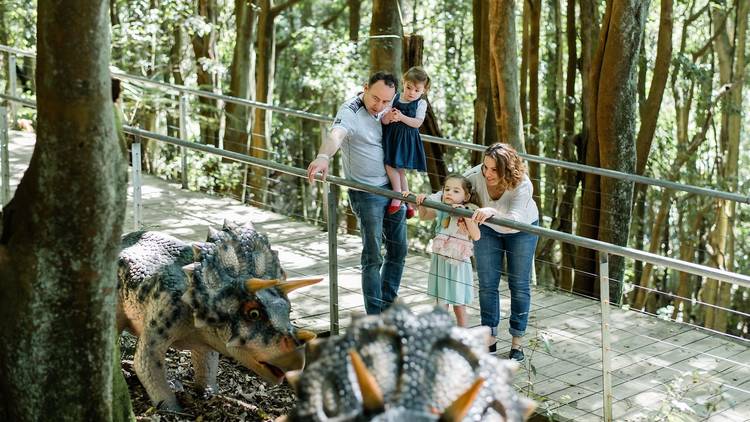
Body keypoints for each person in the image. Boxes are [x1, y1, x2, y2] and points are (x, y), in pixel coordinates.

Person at [306, 72, 407, 315]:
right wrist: (323, 156)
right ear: (365, 89)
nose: (380, 106)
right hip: (366, 192)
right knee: (373, 256)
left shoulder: (390, 104)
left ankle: (386, 306)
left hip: (393, 187)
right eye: (375, 99)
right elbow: (336, 134)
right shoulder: (350, 110)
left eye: (386, 101)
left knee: (399, 250)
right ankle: (375, 316)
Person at [468, 143, 539, 362]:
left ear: (507, 170)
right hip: (488, 230)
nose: (487, 173)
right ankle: (489, 340)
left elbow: (514, 220)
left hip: (521, 230)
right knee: (488, 284)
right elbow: (450, 190)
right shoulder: (475, 175)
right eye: (485, 167)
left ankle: (517, 343)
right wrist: (423, 199)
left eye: (494, 170)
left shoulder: (523, 184)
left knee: (518, 285)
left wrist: (492, 211)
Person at [409, 174, 480, 327]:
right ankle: (440, 336)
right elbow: (424, 216)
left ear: (466, 196)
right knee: (441, 303)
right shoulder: (441, 209)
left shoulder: (469, 211)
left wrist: (465, 215)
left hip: (458, 265)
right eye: (447, 189)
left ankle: (462, 337)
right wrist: (421, 202)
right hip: (440, 263)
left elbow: (476, 235)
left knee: (459, 305)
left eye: (456, 191)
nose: (449, 193)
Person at [380, 66, 430, 218]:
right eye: (409, 88)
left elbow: (417, 123)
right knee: (399, 170)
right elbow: (383, 118)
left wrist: (401, 117)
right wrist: (390, 117)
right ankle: (408, 202)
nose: (411, 93)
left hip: (406, 140)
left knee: (390, 164)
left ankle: (397, 195)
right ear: (403, 82)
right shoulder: (395, 97)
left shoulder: (421, 104)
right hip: (392, 137)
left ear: (423, 91)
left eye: (417, 90)